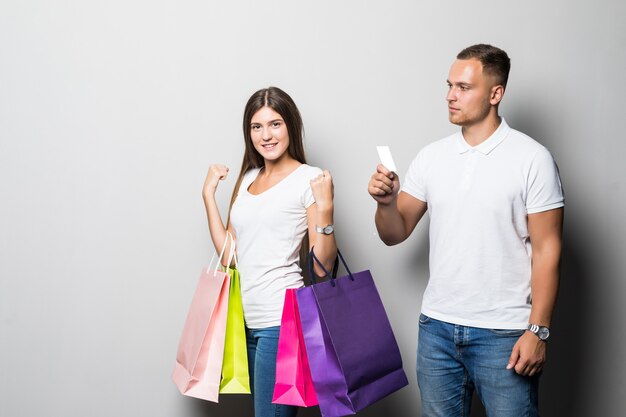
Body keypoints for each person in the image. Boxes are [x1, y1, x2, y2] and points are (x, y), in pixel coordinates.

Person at [368, 44, 564, 416]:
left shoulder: (532, 159)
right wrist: (386, 203)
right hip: (437, 330)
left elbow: (547, 250)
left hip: (505, 334)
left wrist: (538, 331)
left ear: (495, 94)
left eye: (463, 87)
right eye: (449, 85)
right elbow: (394, 233)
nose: (450, 96)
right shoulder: (432, 157)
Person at [202, 86, 337, 417]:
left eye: (275, 124)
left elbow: (322, 266)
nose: (266, 135)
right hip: (245, 322)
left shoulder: (309, 179)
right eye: (257, 127)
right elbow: (231, 256)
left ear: (290, 125)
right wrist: (208, 196)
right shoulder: (249, 178)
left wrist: (327, 207)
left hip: (282, 322)